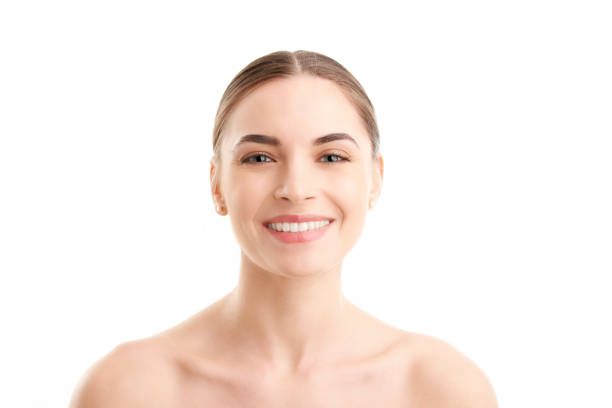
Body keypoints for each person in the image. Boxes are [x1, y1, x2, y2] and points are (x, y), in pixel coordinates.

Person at [69, 50, 498, 407]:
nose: (296, 189)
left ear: (376, 178)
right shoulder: (130, 390)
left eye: (331, 157)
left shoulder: (441, 389)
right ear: (217, 184)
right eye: (259, 158)